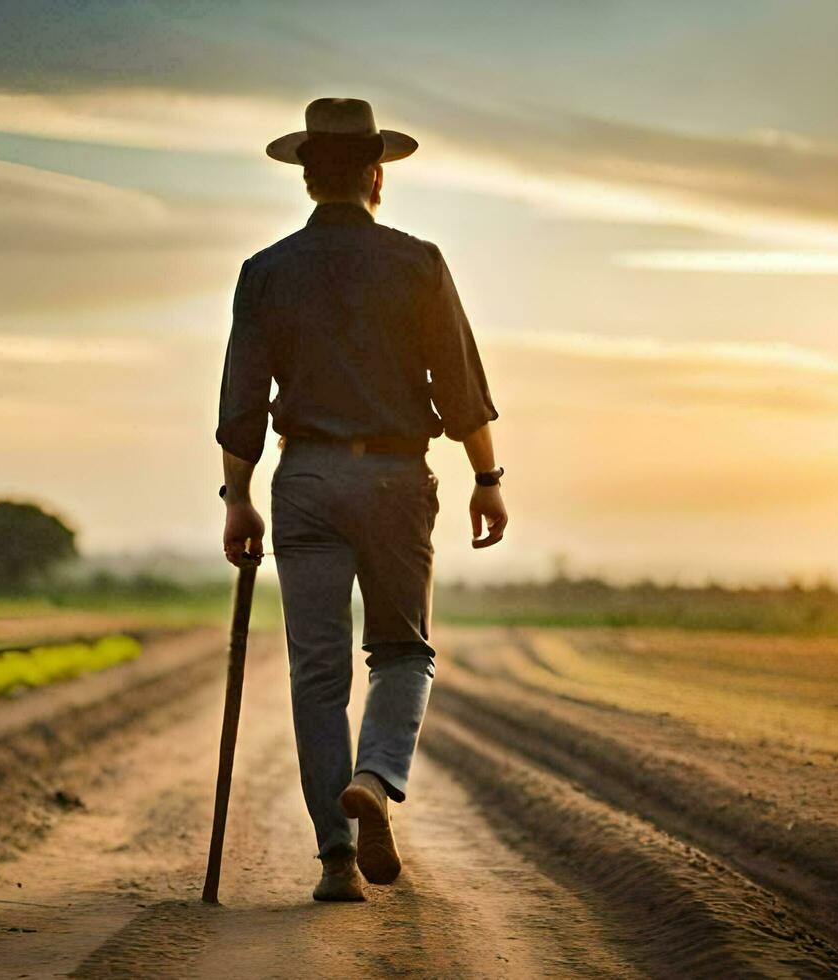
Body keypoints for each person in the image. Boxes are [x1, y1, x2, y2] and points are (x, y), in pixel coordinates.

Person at [215, 97, 507, 902]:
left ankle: (336, 859)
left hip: (303, 479)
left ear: (310, 179)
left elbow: (241, 402)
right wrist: (487, 478)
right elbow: (461, 388)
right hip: (393, 476)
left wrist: (236, 498)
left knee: (317, 674)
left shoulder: (265, 271)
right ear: (377, 176)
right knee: (404, 652)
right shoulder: (419, 263)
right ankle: (375, 778)